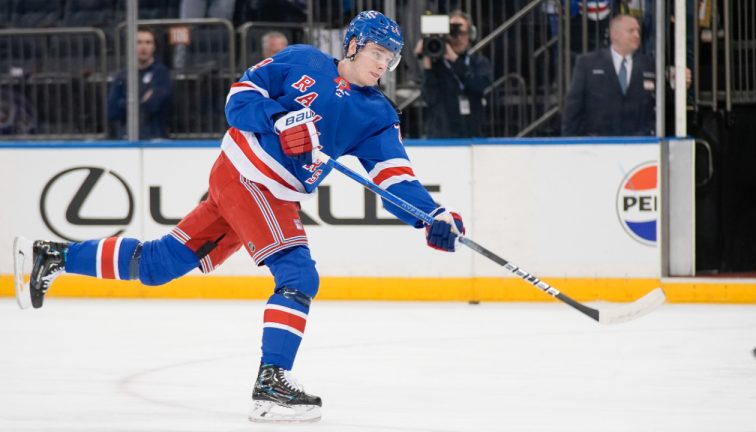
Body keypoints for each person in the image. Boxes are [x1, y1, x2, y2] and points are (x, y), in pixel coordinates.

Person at [14, 10, 466, 424]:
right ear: (352, 45)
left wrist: (432, 215)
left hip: (271, 193)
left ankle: (54, 256)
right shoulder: (302, 59)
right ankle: (271, 385)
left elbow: (394, 178)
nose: (383, 65)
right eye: (377, 52)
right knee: (298, 275)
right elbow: (240, 97)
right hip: (246, 175)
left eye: (391, 58)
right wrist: (279, 119)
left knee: (159, 265)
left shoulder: (377, 116)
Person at [561, 14, 656, 136]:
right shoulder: (588, 63)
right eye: (631, 31)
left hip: (640, 145)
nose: (636, 35)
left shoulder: (649, 65)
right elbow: (573, 108)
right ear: (614, 34)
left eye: (638, 31)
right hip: (597, 146)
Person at [416, 10, 492, 138]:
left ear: (470, 35)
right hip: (440, 136)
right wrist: (427, 60)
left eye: (461, 32)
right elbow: (429, 98)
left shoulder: (478, 62)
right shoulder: (436, 64)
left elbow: (479, 87)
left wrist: (455, 60)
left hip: (471, 134)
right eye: (452, 32)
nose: (457, 37)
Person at [107, 27, 172, 140]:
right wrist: (140, 100)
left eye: (148, 42)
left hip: (155, 138)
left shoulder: (161, 74)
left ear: (154, 47)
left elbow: (153, 104)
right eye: (139, 42)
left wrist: (127, 102)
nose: (143, 47)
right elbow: (112, 110)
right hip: (126, 137)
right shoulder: (122, 76)